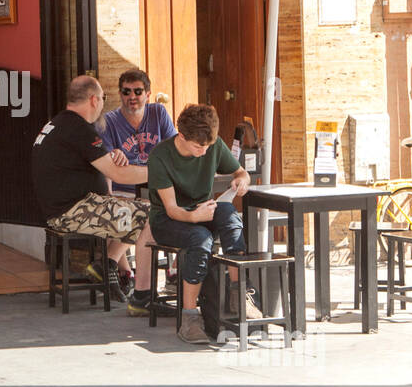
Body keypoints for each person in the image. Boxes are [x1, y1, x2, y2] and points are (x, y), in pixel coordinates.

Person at [140, 103, 256, 344]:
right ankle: (190, 319)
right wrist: (194, 217)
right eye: (198, 146)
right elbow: (171, 209)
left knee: (231, 217)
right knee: (200, 239)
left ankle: (240, 295)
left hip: (203, 212)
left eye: (208, 146)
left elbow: (241, 172)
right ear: (181, 136)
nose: (204, 152)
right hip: (168, 221)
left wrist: (242, 182)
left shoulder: (212, 144)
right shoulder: (160, 156)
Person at [31, 75, 149, 295]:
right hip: (72, 211)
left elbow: (83, 162)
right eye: (103, 98)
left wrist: (111, 154)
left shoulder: (58, 123)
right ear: (94, 100)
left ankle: (121, 273)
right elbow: (118, 174)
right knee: (151, 213)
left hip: (66, 207)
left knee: (124, 208)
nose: (103, 104)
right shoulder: (78, 129)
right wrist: (158, 172)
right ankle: (110, 267)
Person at [101, 69, 176, 308]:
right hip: (123, 187)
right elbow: (103, 160)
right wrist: (113, 153)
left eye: (137, 91)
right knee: (131, 214)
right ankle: (124, 273)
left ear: (148, 93)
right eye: (126, 91)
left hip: (155, 187)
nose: (132, 96)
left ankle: (111, 265)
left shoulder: (158, 113)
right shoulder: (110, 121)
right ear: (120, 93)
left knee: (156, 210)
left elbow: (173, 147)